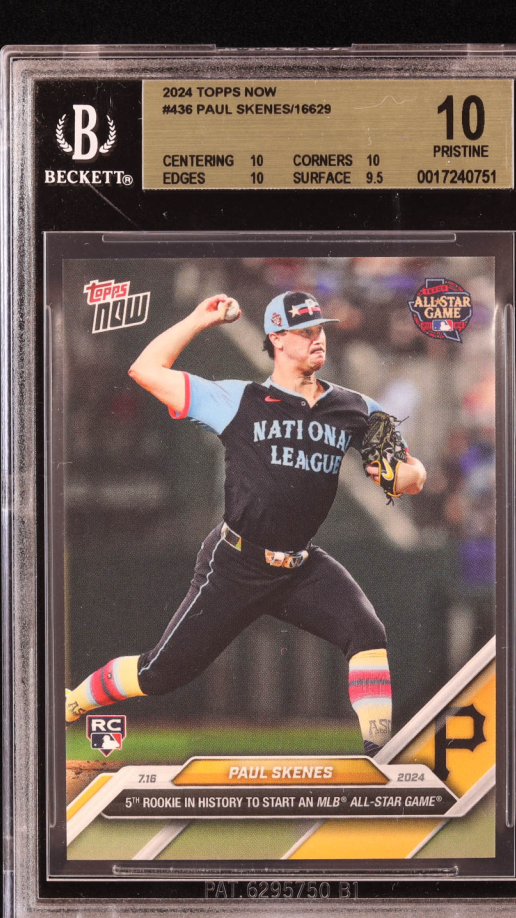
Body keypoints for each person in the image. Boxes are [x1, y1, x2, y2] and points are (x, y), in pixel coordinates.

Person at [65, 291, 427, 756]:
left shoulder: (356, 408)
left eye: (320, 329)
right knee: (159, 674)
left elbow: (414, 474)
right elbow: (145, 370)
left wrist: (402, 477)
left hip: (300, 565)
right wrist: (198, 320)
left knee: (367, 631)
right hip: (236, 563)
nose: (318, 339)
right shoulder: (238, 399)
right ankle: (74, 701)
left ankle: (379, 756)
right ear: (277, 338)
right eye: (305, 331)